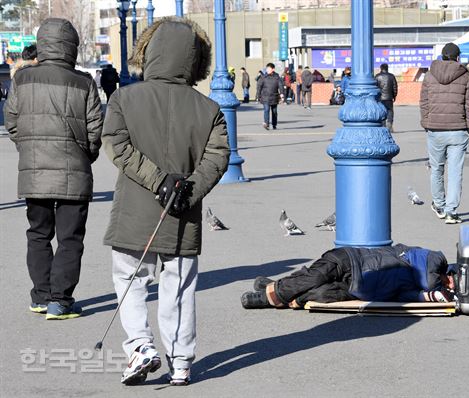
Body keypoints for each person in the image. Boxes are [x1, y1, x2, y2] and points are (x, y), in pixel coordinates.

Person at [101, 17, 230, 386]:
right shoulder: (209, 109)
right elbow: (218, 157)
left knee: (130, 279)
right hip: (183, 212)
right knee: (179, 285)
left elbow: (117, 145)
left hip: (135, 210)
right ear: (194, 61)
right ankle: (181, 361)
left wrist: (157, 182)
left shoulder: (124, 98)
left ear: (150, 52)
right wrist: (188, 187)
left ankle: (140, 346)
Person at [3, 18, 103, 319]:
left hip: (34, 171)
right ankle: (60, 300)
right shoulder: (84, 82)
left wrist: (29, 148)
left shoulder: (22, 79)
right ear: (72, 46)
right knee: (70, 237)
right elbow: (95, 130)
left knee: (38, 233)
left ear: (43, 43)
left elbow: (12, 122)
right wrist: (85, 156)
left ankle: (41, 296)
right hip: (74, 171)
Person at [241, 244, 457, 309]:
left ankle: (273, 286)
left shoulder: (426, 286)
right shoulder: (435, 260)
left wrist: (429, 297)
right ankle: (268, 297)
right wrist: (437, 287)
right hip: (350, 259)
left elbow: (404, 297)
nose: (453, 284)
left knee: (322, 294)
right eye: (454, 279)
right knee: (314, 277)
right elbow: (427, 275)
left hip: (357, 288)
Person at [419, 42, 469, 225]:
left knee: (436, 168)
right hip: (458, 129)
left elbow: (424, 103)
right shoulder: (466, 75)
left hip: (435, 129)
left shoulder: (429, 75)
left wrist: (426, 123)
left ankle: (440, 205)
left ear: (442, 57)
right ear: (458, 58)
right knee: (455, 171)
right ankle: (451, 212)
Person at [256, 62, 284, 130]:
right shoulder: (263, 77)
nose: (267, 70)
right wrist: (258, 96)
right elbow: (259, 86)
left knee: (274, 112)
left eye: (269, 69)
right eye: (267, 69)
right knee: (266, 110)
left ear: (273, 69)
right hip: (265, 97)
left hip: (274, 96)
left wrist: (282, 94)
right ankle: (266, 123)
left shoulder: (277, 77)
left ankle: (274, 124)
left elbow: (280, 85)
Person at [375, 63, 398, 133]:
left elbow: (375, 87)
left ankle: (383, 125)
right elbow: (395, 87)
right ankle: (389, 124)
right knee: (390, 111)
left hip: (380, 98)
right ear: (387, 68)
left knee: (382, 111)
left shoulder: (377, 76)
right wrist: (394, 96)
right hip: (389, 98)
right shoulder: (391, 76)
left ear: (381, 68)